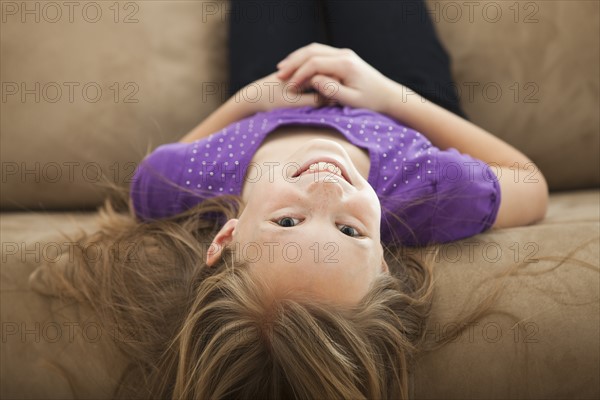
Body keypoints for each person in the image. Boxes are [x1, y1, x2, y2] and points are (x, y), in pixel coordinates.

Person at [34, 1, 549, 398]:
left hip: (272, 88)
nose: (326, 189)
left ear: (227, 236)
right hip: (401, 101)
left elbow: (145, 179)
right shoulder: (432, 190)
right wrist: (390, 95)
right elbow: (530, 181)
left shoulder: (184, 182)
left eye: (287, 221)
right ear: (385, 267)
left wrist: (249, 100)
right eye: (350, 231)